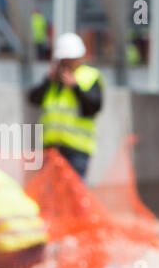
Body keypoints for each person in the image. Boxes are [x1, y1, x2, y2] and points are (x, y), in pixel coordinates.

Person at [27, 32, 103, 181]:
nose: (67, 63)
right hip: (51, 149)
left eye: (70, 60)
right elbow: (33, 98)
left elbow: (94, 106)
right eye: (64, 60)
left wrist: (75, 87)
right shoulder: (54, 80)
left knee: (72, 197)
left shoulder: (89, 77)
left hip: (77, 151)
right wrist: (48, 81)